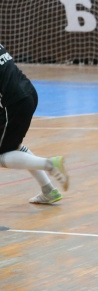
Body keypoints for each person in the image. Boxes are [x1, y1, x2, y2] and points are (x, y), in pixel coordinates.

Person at [0, 43, 69, 204]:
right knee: (14, 146)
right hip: (28, 92)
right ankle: (48, 191)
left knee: (3, 154)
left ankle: (50, 164)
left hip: (14, 103)